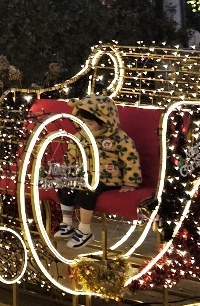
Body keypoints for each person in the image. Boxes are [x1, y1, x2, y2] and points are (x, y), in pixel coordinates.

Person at [53, 95, 141, 249]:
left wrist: (130, 183)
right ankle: (67, 223)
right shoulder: (80, 136)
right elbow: (71, 154)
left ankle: (84, 230)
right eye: (83, 122)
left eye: (90, 123)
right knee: (65, 186)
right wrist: (66, 171)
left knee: (87, 191)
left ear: (104, 121)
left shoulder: (119, 138)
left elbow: (131, 159)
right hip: (84, 174)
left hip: (108, 178)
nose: (86, 126)